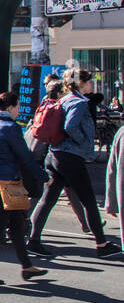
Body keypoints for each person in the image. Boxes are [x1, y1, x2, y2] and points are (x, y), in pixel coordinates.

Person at [29, 69, 122, 257]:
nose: (92, 85)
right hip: (71, 157)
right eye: (89, 82)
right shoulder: (78, 103)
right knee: (88, 199)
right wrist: (83, 142)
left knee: (48, 199)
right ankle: (102, 245)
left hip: (54, 154)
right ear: (82, 83)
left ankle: (33, 240)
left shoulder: (63, 99)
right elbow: (70, 126)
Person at [0, 92, 49, 285]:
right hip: (7, 184)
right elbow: (26, 157)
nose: (18, 111)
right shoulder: (11, 128)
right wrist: (44, 177)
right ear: (10, 108)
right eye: (17, 107)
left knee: (17, 225)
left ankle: (27, 266)